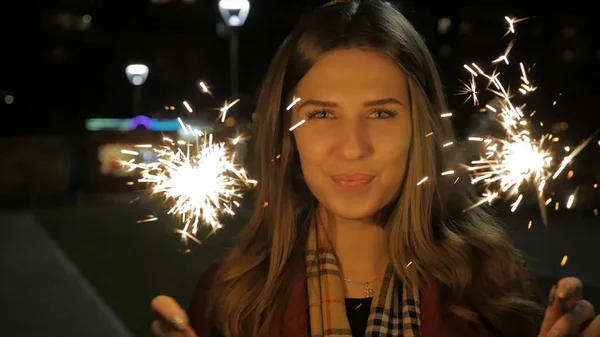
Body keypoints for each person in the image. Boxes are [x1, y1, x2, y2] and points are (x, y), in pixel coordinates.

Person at [148, 1, 600, 336]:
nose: (352, 148)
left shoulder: (495, 293)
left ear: (420, 128)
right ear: (288, 132)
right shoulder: (229, 299)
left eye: (381, 113)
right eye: (322, 114)